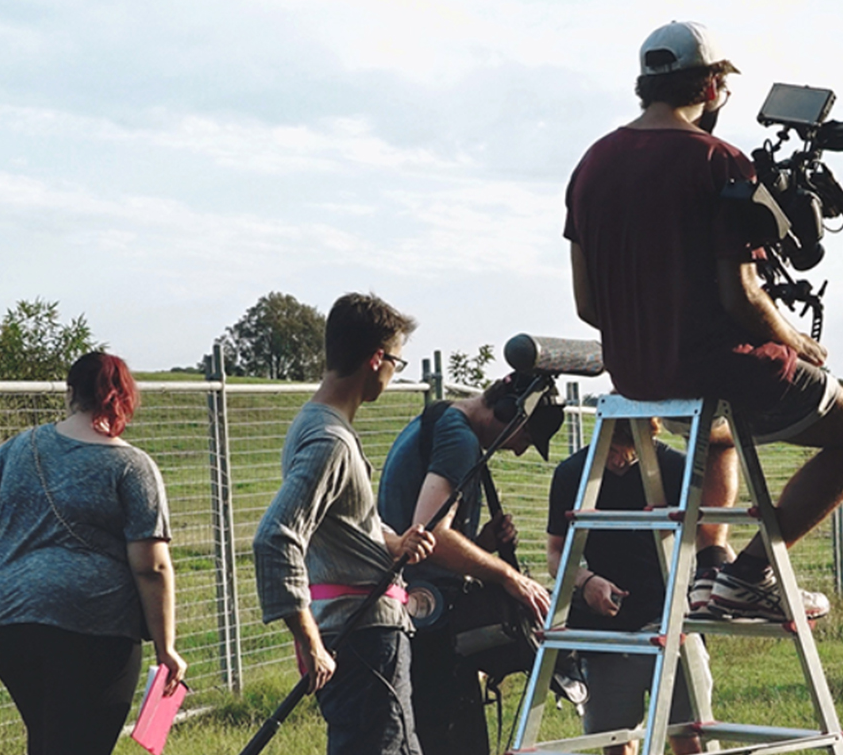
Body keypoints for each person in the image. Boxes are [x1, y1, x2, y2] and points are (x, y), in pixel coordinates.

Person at [564, 20, 843, 621]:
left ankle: (712, 563)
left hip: (638, 378)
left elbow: (588, 305)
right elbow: (741, 296)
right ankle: (751, 574)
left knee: (717, 437)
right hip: (718, 370)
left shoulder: (590, 166)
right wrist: (797, 343)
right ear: (711, 84)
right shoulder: (719, 161)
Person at [253, 293, 437, 755]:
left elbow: (339, 526)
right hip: (365, 640)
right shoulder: (330, 441)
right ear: (376, 359)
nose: (394, 372)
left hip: (360, 634)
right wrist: (308, 638)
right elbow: (276, 537)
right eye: (396, 360)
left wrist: (392, 544)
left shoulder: (314, 425)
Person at [0, 351, 186, 755]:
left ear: (70, 392)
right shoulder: (131, 466)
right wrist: (166, 647)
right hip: (93, 627)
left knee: (46, 739)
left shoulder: (17, 448)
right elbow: (151, 567)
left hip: (8, 621)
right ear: (123, 399)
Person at [377, 377, 555, 755]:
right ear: (509, 414)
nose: (521, 451)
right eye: (527, 437)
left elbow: (428, 539)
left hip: (408, 613)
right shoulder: (460, 441)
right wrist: (510, 577)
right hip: (429, 623)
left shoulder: (440, 416)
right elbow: (432, 536)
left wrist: (483, 545)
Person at [546, 419, 709, 755]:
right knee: (615, 742)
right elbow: (555, 553)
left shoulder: (675, 466)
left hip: (674, 618)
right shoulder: (572, 472)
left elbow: (708, 538)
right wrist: (586, 581)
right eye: (612, 450)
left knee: (689, 736)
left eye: (629, 451)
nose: (619, 460)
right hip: (607, 631)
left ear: (651, 436)